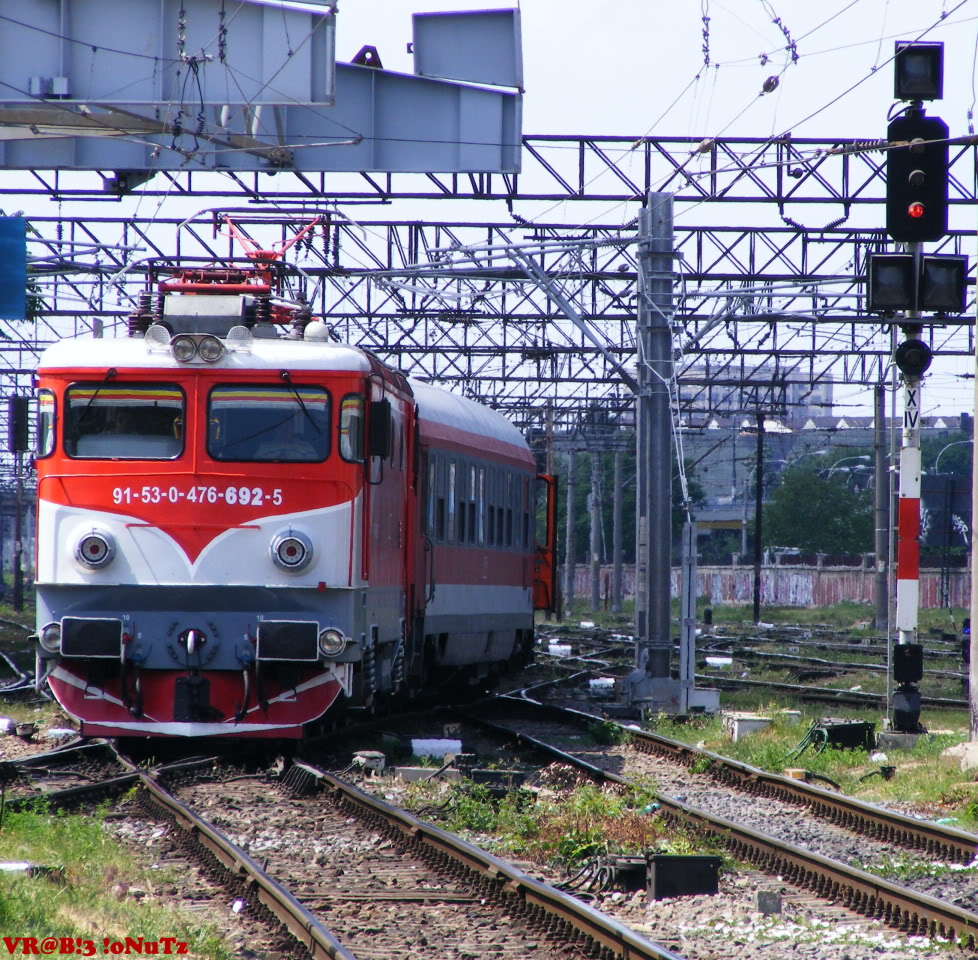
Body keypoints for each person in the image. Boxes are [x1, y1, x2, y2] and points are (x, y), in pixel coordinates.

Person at [254, 416, 319, 460]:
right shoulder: (264, 448)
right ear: (275, 430)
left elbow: (314, 470)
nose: (285, 430)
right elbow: (257, 469)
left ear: (293, 428)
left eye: (287, 426)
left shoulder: (306, 447)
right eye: (281, 427)